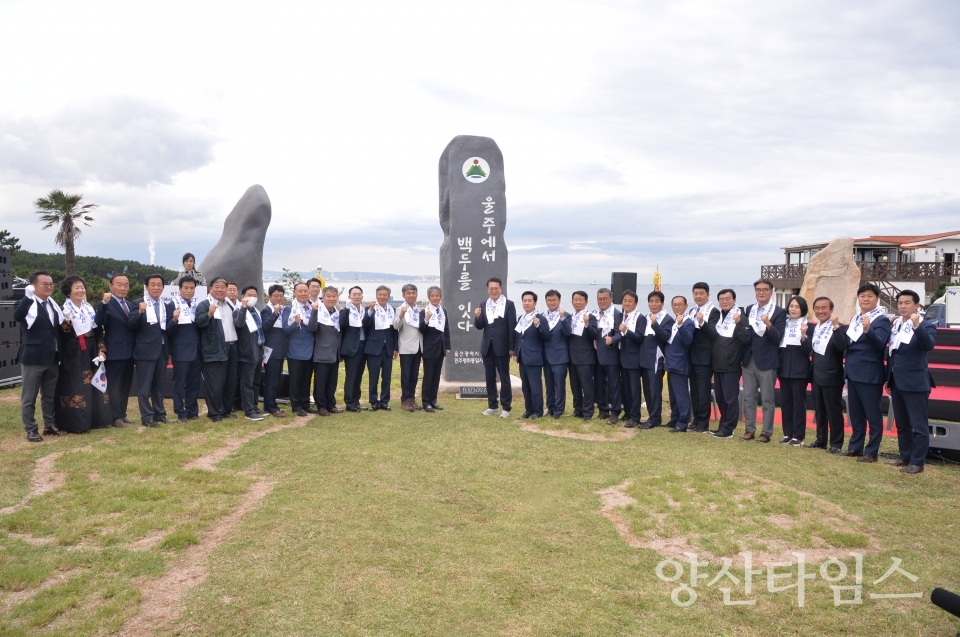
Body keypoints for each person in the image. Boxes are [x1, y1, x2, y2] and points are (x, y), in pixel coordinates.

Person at [838, 283, 891, 463]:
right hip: (852, 371)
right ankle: (855, 447)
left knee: (873, 415)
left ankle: (872, 451)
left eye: (869, 296)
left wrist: (868, 329)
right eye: (862, 296)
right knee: (856, 414)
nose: (865, 299)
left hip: (869, 373)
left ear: (877, 299)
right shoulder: (855, 318)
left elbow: (880, 344)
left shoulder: (881, 320)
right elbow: (848, 343)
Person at [886, 290, 937, 474]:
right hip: (896, 380)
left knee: (919, 425)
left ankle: (918, 462)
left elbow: (928, 345)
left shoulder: (926, 325)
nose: (902, 306)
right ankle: (904, 456)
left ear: (917, 305)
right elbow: (893, 353)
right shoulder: (896, 325)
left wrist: (917, 326)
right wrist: (888, 378)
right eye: (900, 303)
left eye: (907, 303)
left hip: (915, 382)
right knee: (902, 424)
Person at [56, 275, 112, 432]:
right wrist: (66, 321)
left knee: (95, 383)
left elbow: (98, 329)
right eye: (76, 287)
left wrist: (102, 349)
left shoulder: (88, 309)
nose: (80, 290)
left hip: (91, 349)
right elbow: (64, 334)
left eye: (82, 287)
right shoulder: (64, 309)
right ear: (68, 291)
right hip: (73, 353)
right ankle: (76, 422)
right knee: (76, 385)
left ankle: (97, 419)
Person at [14, 272, 64, 441]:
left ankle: (49, 425)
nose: (49, 286)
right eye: (45, 284)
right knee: (29, 396)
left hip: (52, 356)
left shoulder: (53, 304)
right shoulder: (25, 303)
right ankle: (31, 428)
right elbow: (17, 316)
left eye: (51, 283)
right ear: (33, 286)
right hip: (33, 356)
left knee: (49, 395)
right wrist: (27, 298)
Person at [741, 279, 787, 443]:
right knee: (749, 397)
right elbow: (747, 335)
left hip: (767, 360)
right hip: (749, 359)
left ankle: (766, 432)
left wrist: (768, 324)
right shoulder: (749, 309)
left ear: (771, 291)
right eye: (758, 289)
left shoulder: (779, 312)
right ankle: (749, 429)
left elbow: (778, 338)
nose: (761, 292)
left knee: (767, 399)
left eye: (765, 290)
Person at [127, 273, 174, 426]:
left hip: (161, 349)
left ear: (163, 287)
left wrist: (174, 320)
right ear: (146, 287)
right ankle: (147, 417)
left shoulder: (166, 305)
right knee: (144, 387)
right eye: (152, 284)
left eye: (159, 284)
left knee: (159, 386)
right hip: (145, 351)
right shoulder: (138, 303)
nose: (156, 287)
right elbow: (131, 325)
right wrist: (140, 312)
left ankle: (160, 414)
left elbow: (167, 330)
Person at [703, 288, 750, 439]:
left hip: (732, 364)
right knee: (720, 396)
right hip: (718, 363)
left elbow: (745, 339)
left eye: (728, 298)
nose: (724, 301)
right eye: (722, 299)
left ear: (734, 300)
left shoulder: (740, 316)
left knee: (730, 398)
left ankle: (729, 428)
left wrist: (739, 323)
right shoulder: (719, 316)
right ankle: (723, 424)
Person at [96, 274, 136, 428]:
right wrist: (103, 303)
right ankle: (114, 417)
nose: (123, 288)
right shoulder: (107, 304)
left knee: (126, 385)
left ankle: (122, 413)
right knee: (114, 385)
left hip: (130, 351)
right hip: (114, 352)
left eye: (126, 285)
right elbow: (98, 322)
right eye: (119, 284)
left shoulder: (131, 305)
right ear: (111, 286)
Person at [195, 278, 238, 422]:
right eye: (217, 287)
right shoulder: (204, 304)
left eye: (223, 287)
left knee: (230, 382)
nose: (220, 290)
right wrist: (209, 314)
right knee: (215, 384)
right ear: (210, 288)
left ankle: (226, 410)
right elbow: (199, 323)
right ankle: (215, 413)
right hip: (214, 349)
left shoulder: (230, 305)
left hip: (232, 347)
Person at [474, 277, 517, 418]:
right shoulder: (483, 304)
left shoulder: (509, 305)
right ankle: (492, 406)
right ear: (488, 290)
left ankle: (506, 407)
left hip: (503, 347)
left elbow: (512, 327)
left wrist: (512, 347)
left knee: (504, 377)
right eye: (491, 288)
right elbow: (480, 326)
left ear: (501, 289)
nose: (493, 291)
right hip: (487, 346)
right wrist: (477, 317)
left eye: (496, 288)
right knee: (489, 377)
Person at [807, 297, 845, 454]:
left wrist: (836, 328)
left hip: (832, 375)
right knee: (819, 410)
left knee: (833, 411)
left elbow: (842, 346)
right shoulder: (816, 327)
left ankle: (836, 443)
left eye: (824, 308)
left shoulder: (838, 327)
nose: (820, 311)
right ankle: (821, 439)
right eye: (817, 308)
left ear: (831, 309)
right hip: (816, 374)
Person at [777, 296, 812, 446]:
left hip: (799, 369)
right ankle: (788, 433)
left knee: (798, 403)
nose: (793, 309)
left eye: (797, 307)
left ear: (803, 309)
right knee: (786, 403)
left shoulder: (809, 325)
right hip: (784, 367)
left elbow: (808, 350)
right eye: (791, 306)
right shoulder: (783, 323)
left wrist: (804, 335)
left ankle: (798, 436)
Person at [687, 282, 720, 433]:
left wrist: (702, 321)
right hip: (691, 356)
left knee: (703, 390)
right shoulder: (692, 310)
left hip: (705, 358)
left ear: (708, 295)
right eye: (696, 293)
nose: (698, 296)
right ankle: (696, 419)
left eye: (701, 293)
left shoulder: (714, 312)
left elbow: (713, 334)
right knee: (694, 390)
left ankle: (704, 422)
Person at [168, 277, 202, 423]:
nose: (189, 291)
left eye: (192, 288)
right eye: (186, 288)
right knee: (179, 384)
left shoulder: (195, 305)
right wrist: (174, 319)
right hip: (180, 351)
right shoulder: (173, 304)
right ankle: (180, 412)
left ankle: (192, 411)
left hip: (195, 351)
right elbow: (168, 329)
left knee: (194, 383)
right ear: (179, 289)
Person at [639, 291, 674, 429]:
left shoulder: (667, 319)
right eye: (651, 301)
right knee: (647, 389)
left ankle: (655, 418)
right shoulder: (645, 317)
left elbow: (665, 337)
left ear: (662, 303)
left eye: (656, 301)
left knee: (654, 390)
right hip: (644, 358)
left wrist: (655, 324)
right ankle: (651, 415)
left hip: (656, 358)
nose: (653, 304)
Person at [308, 286, 343, 416]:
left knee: (332, 380)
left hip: (334, 352)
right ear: (323, 297)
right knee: (321, 382)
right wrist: (314, 312)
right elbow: (312, 328)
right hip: (321, 352)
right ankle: (321, 405)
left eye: (334, 296)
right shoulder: (319, 311)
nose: (331, 298)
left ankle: (330, 403)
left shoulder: (337, 312)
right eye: (328, 296)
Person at [283, 282, 316, 417]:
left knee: (306, 379)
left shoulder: (313, 308)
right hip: (295, 349)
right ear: (295, 293)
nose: (303, 294)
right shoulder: (289, 309)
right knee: (295, 379)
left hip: (310, 348)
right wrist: (296, 324)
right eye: (300, 291)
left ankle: (305, 403)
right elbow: (285, 330)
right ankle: (296, 405)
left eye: (305, 291)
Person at [363, 285, 399, 411]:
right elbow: (365, 325)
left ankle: (384, 401)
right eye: (380, 294)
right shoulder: (369, 309)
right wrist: (371, 311)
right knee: (373, 377)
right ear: (376, 295)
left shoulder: (392, 310)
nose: (382, 297)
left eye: (385, 295)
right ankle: (373, 401)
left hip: (388, 348)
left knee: (387, 377)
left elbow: (395, 330)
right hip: (373, 348)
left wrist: (395, 347)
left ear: (389, 297)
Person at [538, 289, 572, 419]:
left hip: (560, 356)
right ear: (546, 301)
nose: (552, 302)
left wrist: (562, 318)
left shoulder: (566, 315)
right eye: (549, 300)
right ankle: (550, 407)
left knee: (559, 385)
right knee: (549, 384)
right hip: (546, 355)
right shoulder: (542, 316)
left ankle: (558, 410)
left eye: (554, 300)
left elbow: (568, 332)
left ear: (559, 301)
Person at [235, 285, 266, 421]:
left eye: (255, 295)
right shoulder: (239, 311)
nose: (252, 297)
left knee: (256, 382)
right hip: (247, 353)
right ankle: (248, 410)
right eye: (249, 295)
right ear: (243, 297)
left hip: (258, 350)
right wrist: (243, 307)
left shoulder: (256, 311)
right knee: (247, 383)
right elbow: (239, 324)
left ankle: (254, 406)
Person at [664, 296, 695, 433]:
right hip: (670, 362)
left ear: (686, 306)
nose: (677, 307)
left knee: (681, 394)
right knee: (673, 395)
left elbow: (688, 341)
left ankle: (683, 422)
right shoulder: (673, 322)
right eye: (674, 305)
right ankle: (674, 418)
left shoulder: (688, 322)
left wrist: (681, 325)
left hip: (680, 363)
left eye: (680, 305)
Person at [593, 287, 622, 425]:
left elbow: (620, 333)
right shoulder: (595, 313)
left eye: (605, 298)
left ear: (611, 299)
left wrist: (613, 340)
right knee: (599, 383)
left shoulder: (616, 314)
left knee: (613, 385)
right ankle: (603, 409)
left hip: (612, 353)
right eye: (599, 299)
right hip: (597, 353)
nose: (602, 301)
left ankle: (615, 411)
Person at [419, 286, 451, 413]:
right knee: (428, 376)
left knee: (437, 376)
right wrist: (426, 319)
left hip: (441, 347)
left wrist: (448, 346)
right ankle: (426, 402)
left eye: (437, 296)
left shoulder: (443, 311)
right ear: (428, 298)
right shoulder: (424, 311)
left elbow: (446, 330)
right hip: (429, 348)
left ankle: (433, 400)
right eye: (432, 296)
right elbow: (421, 330)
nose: (435, 298)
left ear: (441, 297)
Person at [617, 290, 646, 428]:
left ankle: (635, 416)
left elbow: (640, 338)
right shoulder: (621, 316)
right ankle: (627, 413)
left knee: (634, 389)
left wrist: (626, 332)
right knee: (626, 388)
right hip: (622, 357)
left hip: (634, 358)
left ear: (636, 303)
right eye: (624, 301)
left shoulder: (640, 318)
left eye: (630, 301)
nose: (627, 303)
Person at [567, 291, 598, 420]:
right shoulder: (570, 316)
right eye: (575, 299)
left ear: (586, 302)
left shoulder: (590, 317)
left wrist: (587, 324)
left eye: (581, 300)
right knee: (575, 386)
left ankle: (588, 411)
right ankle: (577, 409)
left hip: (585, 357)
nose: (578, 302)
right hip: (572, 357)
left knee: (587, 386)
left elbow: (595, 335)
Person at [515, 291, 545, 419]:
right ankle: (528, 410)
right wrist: (516, 352)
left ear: (535, 303)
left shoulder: (540, 318)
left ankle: (538, 411)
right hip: (522, 356)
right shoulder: (521, 318)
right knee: (525, 386)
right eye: (524, 300)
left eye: (529, 300)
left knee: (535, 386)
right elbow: (519, 338)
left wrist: (538, 325)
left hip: (534, 357)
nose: (526, 303)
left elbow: (546, 335)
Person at [395, 284, 424, 412]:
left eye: (413, 293)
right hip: (406, 347)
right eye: (408, 293)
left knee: (414, 375)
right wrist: (401, 314)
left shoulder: (420, 310)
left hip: (418, 346)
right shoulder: (400, 308)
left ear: (417, 295)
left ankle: (412, 398)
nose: (411, 295)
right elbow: (395, 326)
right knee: (405, 375)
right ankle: (405, 399)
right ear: (403, 295)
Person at [261, 285, 288, 418]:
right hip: (271, 350)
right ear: (269, 297)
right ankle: (271, 406)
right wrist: (274, 314)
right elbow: (265, 327)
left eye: (281, 295)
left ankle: (270, 403)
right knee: (271, 379)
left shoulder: (284, 309)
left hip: (281, 349)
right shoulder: (267, 310)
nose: (278, 298)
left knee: (276, 378)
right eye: (275, 295)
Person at [339, 286, 367, 412]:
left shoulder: (364, 311)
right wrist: (346, 310)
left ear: (362, 297)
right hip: (351, 348)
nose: (356, 296)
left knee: (359, 376)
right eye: (354, 294)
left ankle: (356, 401)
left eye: (359, 294)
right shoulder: (346, 311)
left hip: (363, 347)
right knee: (351, 376)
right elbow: (342, 324)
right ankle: (349, 402)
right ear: (349, 297)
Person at [224, 282, 242, 411]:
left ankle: (236, 402)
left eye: (234, 290)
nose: (232, 292)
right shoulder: (222, 305)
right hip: (226, 344)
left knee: (236, 376)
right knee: (227, 375)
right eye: (229, 290)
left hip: (240, 344)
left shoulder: (242, 306)